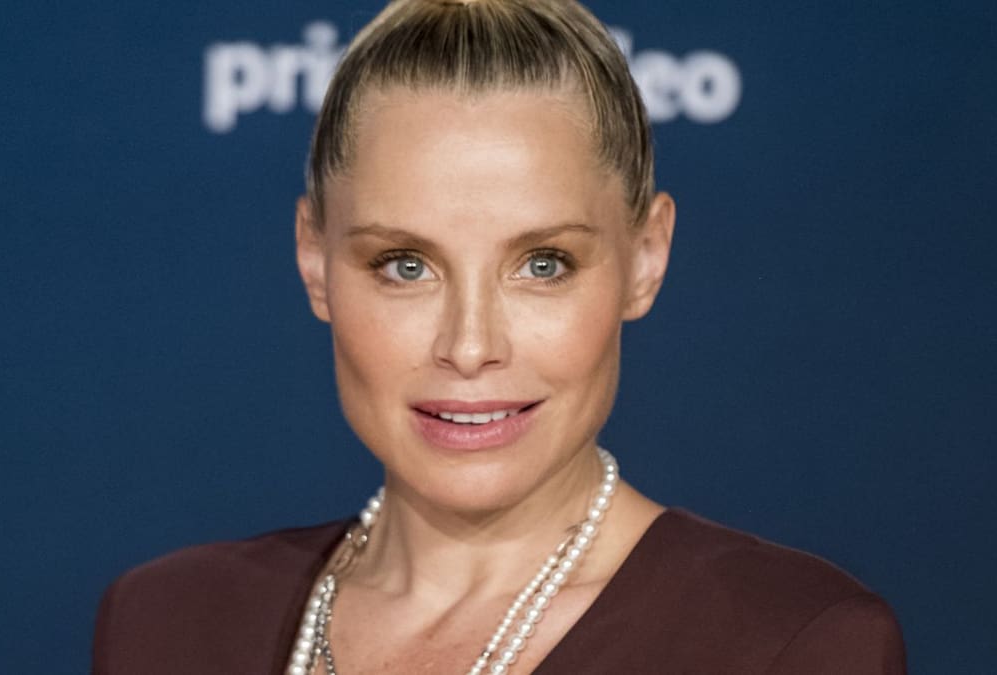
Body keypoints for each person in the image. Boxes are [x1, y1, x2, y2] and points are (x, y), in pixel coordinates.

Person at [92, 1, 907, 673]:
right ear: (315, 261)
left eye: (543, 264)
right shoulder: (165, 624)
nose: (470, 344)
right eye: (406, 265)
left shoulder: (790, 643)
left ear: (645, 258)